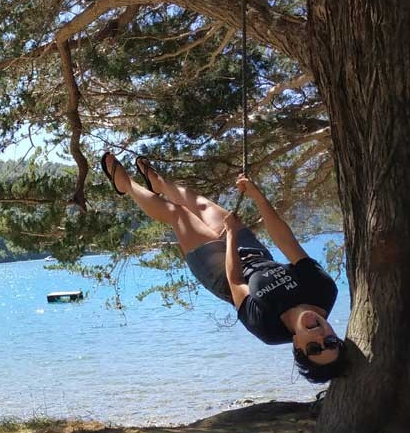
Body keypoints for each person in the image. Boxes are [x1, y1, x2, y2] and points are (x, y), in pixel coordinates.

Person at [101, 153, 347, 383]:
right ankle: (160, 185)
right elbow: (286, 241)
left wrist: (230, 234)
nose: (320, 338)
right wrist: (257, 195)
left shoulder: (267, 327)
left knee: (179, 214)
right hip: (255, 253)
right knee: (203, 206)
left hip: (220, 273)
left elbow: (236, 281)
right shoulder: (323, 291)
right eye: (331, 342)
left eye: (314, 349)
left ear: (297, 346)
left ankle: (127, 185)